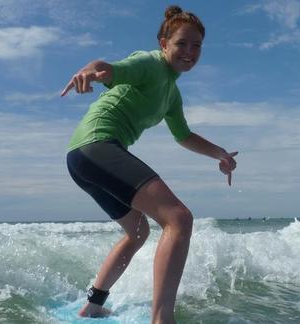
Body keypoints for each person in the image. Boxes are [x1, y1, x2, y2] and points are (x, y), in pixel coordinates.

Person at [61, 5, 237, 323]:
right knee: (179, 219)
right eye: (181, 43)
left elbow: (183, 135)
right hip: (96, 146)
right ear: (163, 43)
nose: (190, 51)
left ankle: (94, 304)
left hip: (82, 158)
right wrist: (90, 70)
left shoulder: (172, 94)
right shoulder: (149, 63)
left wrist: (220, 154)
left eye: (196, 45)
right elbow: (109, 68)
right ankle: (162, 319)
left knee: (138, 230)